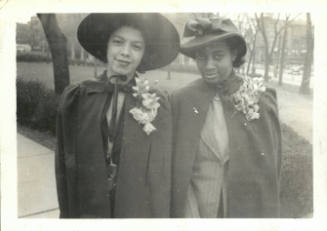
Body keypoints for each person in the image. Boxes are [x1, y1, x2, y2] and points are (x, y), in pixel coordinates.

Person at [55, 13, 180, 218]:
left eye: (136, 46)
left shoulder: (156, 103)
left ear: (144, 54)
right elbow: (64, 167)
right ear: (106, 46)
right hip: (89, 208)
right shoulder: (78, 98)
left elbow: (161, 174)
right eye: (118, 42)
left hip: (134, 210)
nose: (125, 53)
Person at [170, 17, 282, 218]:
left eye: (218, 56)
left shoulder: (260, 98)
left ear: (234, 54)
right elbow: (177, 167)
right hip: (198, 209)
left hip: (245, 209)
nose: (209, 65)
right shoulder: (181, 100)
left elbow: (270, 167)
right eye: (201, 57)